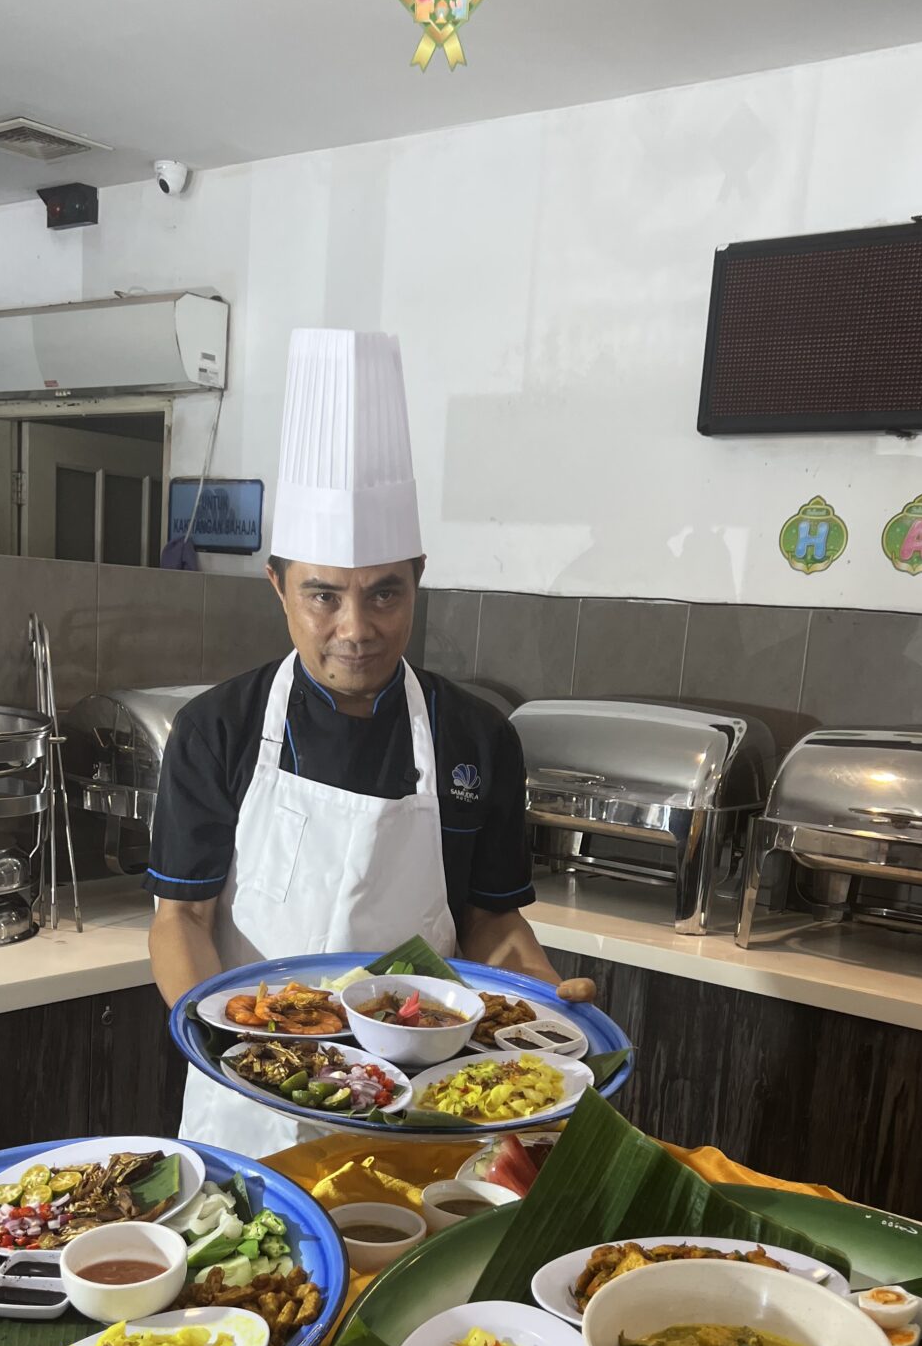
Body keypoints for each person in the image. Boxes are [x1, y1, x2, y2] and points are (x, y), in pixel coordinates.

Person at [148, 327, 594, 1154]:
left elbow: (491, 922)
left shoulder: (477, 736)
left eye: (385, 594)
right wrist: (228, 1045)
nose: (356, 629)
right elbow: (182, 918)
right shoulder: (219, 728)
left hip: (428, 1093)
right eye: (323, 596)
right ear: (277, 585)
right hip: (257, 1087)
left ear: (418, 579)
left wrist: (536, 991)